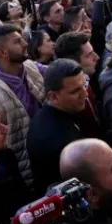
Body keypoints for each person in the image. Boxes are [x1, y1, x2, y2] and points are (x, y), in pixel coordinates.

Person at [0, 24, 46, 187]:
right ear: (1, 52)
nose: (25, 44)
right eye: (17, 41)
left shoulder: (28, 66)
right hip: (28, 174)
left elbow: (53, 73)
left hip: (46, 155)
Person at [27, 59, 88, 195]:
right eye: (75, 91)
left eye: (84, 85)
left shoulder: (57, 114)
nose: (85, 94)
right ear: (53, 96)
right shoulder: (57, 140)